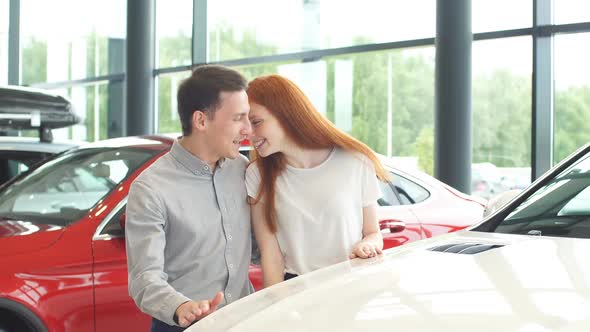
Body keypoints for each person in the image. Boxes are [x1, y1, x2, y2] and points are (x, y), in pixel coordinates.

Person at [126, 65, 253, 331]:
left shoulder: (243, 171)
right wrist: (181, 307)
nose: (248, 130)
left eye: (249, 118)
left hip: (244, 322)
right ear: (201, 121)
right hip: (182, 326)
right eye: (238, 118)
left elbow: (261, 248)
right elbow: (144, 279)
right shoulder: (150, 188)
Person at [245, 74, 390, 288]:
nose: (249, 133)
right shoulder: (257, 175)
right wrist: (276, 306)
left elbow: (373, 233)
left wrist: (367, 245)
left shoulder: (355, 161)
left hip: (350, 287)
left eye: (256, 122)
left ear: (286, 114)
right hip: (295, 291)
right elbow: (270, 254)